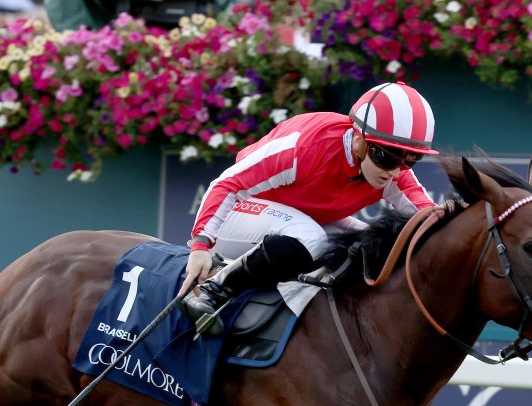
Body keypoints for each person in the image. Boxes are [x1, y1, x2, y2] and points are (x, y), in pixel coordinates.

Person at [180, 81, 439, 335]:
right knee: (310, 237)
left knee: (369, 243)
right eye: (386, 156)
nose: (394, 171)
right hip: (238, 213)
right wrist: (201, 246)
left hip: (289, 221)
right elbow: (226, 184)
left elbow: (431, 218)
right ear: (358, 139)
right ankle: (214, 290)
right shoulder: (305, 148)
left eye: (409, 160)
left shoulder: (392, 171)